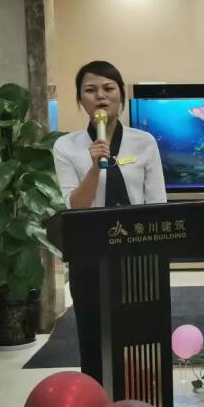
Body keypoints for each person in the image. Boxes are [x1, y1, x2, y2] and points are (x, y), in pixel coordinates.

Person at [53, 60, 167, 383]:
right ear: (81, 100)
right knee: (93, 335)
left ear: (121, 96)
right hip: (89, 255)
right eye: (90, 90)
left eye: (108, 88)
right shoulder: (66, 146)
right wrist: (94, 167)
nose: (100, 96)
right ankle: (96, 398)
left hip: (139, 253)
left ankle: (141, 398)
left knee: (142, 333)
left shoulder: (144, 142)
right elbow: (74, 206)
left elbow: (157, 203)